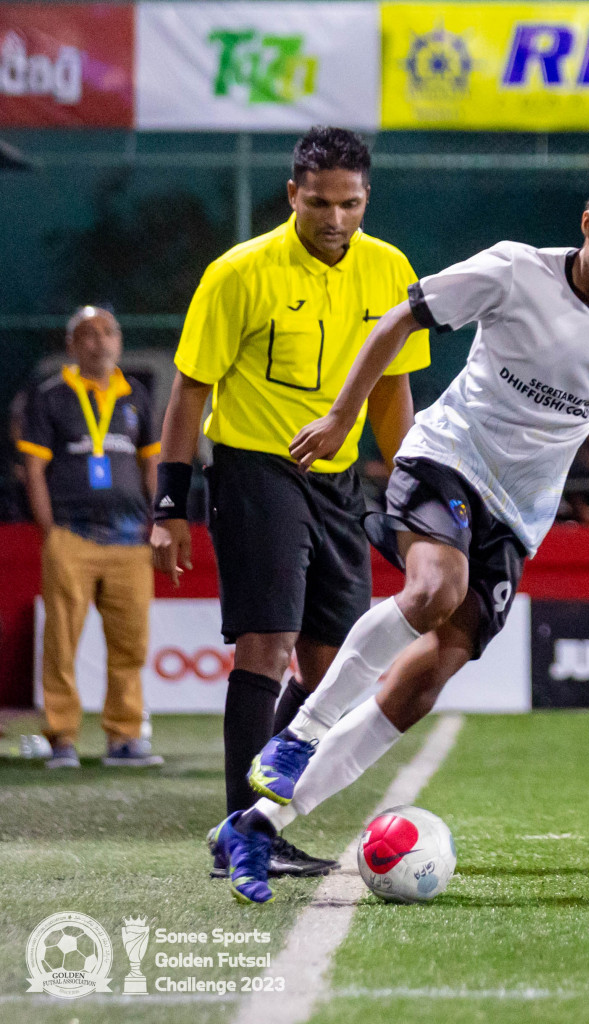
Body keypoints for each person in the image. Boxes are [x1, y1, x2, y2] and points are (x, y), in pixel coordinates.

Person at [209, 130, 589, 904]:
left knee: (434, 672)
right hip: (448, 458)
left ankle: (253, 824)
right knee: (432, 591)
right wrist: (343, 418)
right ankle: (298, 737)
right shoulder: (514, 269)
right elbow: (395, 322)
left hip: (520, 512)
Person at [152, 127, 429, 879]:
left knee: (328, 664)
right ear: (291, 195)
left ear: (367, 198)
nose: (335, 218)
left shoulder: (389, 269)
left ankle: (259, 819)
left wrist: (409, 492)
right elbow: (190, 387)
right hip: (253, 471)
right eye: (319, 203)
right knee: (266, 647)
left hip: (338, 482)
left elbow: (394, 388)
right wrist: (169, 504)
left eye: (350, 203)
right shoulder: (239, 273)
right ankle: (240, 834)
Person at [17, 306, 162, 769]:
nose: (98, 341)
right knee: (61, 642)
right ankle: (61, 739)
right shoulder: (50, 397)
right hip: (71, 536)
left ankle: (124, 739)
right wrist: (50, 530)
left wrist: (160, 518)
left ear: (119, 341)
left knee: (131, 645)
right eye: (87, 334)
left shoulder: (136, 394)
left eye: (106, 332)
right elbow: (33, 471)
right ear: (72, 345)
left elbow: (151, 464)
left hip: (129, 537)